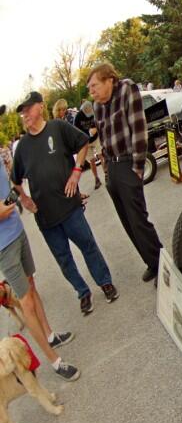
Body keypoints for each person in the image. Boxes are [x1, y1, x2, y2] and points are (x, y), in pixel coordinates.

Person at [13, 92, 118, 315]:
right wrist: (25, 198)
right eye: (22, 112)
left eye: (28, 109)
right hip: (46, 218)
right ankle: (83, 292)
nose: (25, 115)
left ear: (40, 107)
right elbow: (15, 180)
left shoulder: (58, 128)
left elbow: (82, 143)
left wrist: (77, 172)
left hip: (70, 207)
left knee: (88, 245)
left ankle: (104, 282)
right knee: (64, 259)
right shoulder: (22, 147)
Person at [0, 98, 80, 381]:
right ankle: (55, 362)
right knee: (26, 304)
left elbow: (10, 184)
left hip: (16, 232)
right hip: (3, 247)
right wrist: (5, 208)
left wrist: (20, 198)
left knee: (33, 288)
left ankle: (50, 335)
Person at [87, 63, 163, 283]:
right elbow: (102, 136)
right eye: (90, 88)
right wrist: (106, 170)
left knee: (139, 219)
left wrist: (139, 166)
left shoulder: (127, 89)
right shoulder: (97, 105)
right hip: (112, 166)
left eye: (94, 85)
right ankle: (150, 262)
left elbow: (139, 128)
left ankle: (161, 264)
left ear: (109, 79)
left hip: (130, 162)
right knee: (127, 221)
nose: (91, 91)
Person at [73, 101, 103, 190]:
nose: (89, 111)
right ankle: (97, 179)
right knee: (91, 160)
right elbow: (75, 131)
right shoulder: (78, 117)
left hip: (96, 138)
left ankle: (106, 174)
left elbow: (101, 122)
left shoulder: (95, 112)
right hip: (85, 141)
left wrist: (96, 129)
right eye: (87, 110)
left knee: (101, 154)